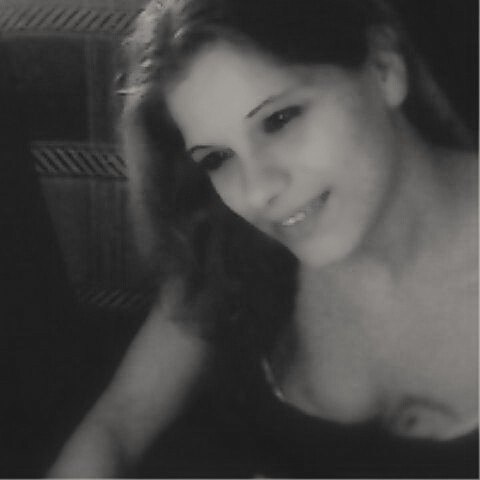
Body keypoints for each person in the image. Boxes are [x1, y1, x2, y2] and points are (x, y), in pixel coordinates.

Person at [49, 0, 478, 477]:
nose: (257, 191)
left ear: (383, 67)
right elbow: (120, 421)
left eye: (279, 120)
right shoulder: (233, 250)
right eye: (217, 158)